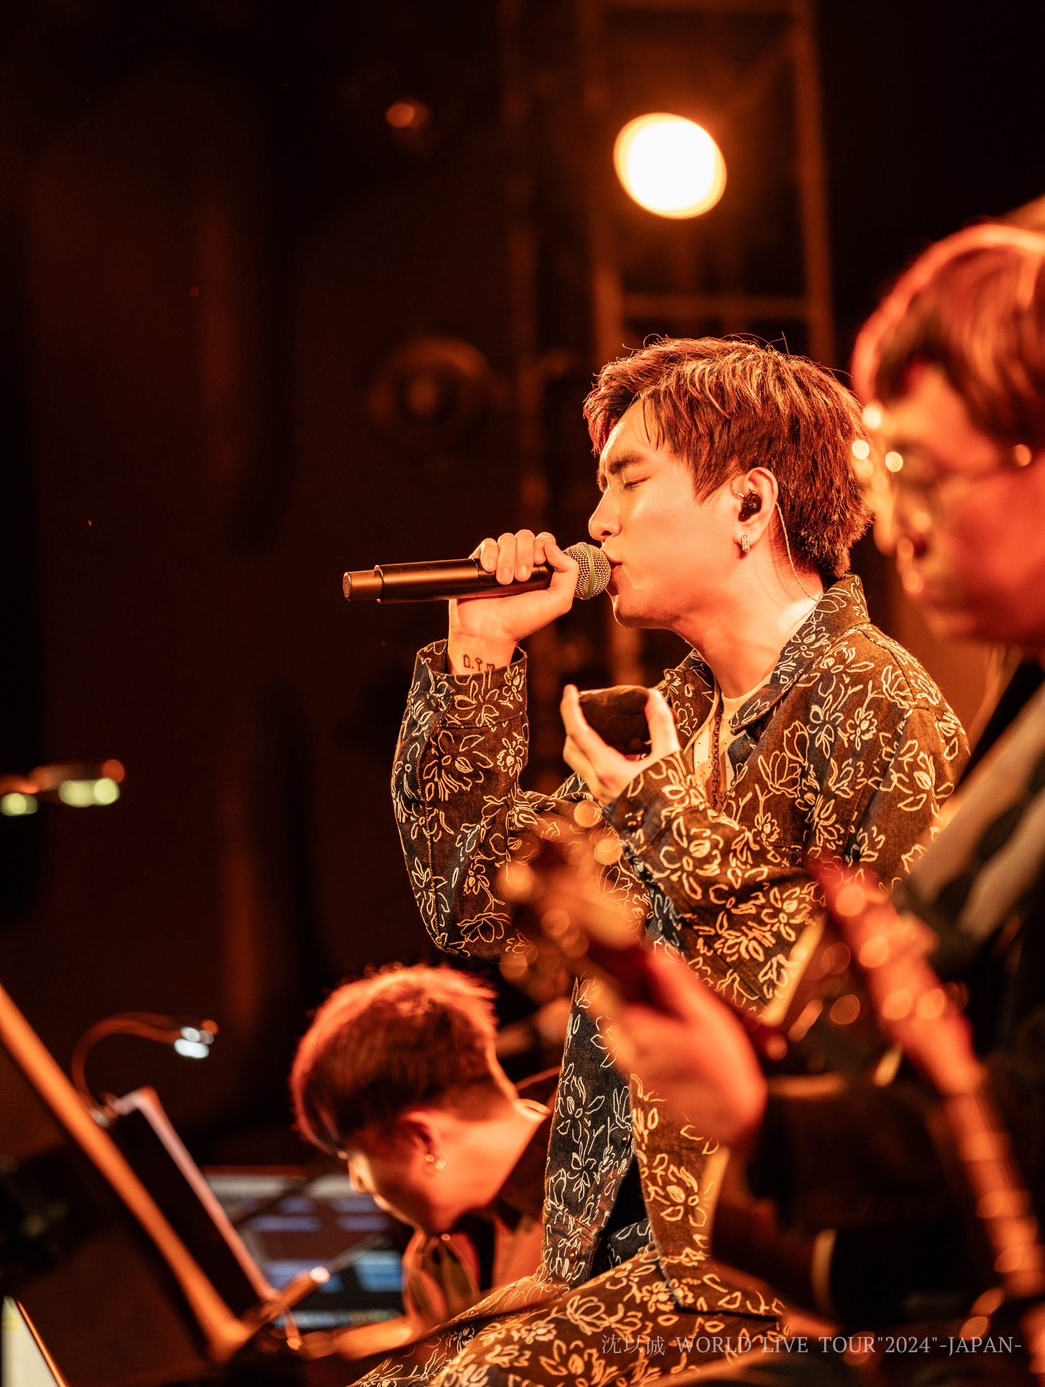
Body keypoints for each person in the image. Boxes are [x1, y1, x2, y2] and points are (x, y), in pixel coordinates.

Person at [387, 336, 966, 1385]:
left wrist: (658, 813)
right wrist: (480, 654)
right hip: (611, 1260)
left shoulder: (876, 702)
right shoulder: (679, 714)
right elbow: (468, 902)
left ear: (748, 505)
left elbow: (876, 1028)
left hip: (754, 1272)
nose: (597, 521)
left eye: (628, 479)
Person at [600, 220, 1045, 1376]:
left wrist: (765, 1121)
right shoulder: (1022, 707)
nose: (895, 521)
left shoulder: (874, 697)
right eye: (884, 475)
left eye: (924, 474)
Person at [290, 965, 555, 1329]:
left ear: (421, 1137)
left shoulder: (619, 1176)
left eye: (354, 1156)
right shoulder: (433, 1260)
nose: (358, 1183)